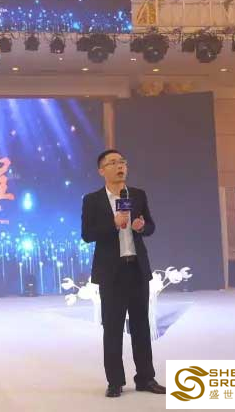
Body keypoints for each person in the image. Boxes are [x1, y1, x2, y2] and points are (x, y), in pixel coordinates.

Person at [81, 149, 166, 398]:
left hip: (136, 269)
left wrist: (142, 226)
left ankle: (146, 378)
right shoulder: (92, 200)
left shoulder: (137, 195)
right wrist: (113, 223)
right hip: (111, 273)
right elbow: (87, 234)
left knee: (141, 327)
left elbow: (151, 226)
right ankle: (115, 381)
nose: (120, 166)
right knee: (113, 328)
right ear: (102, 170)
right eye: (113, 163)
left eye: (122, 162)